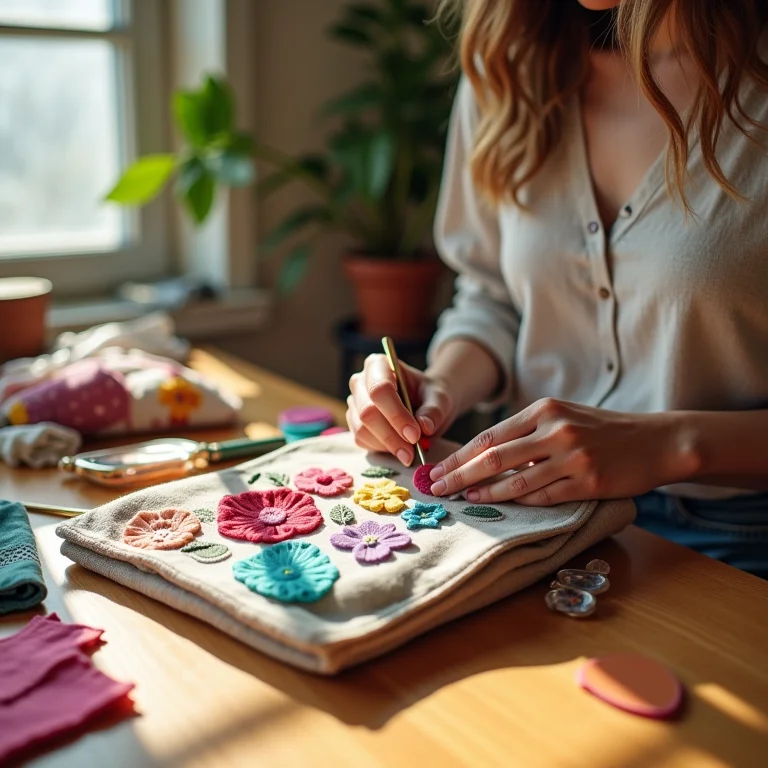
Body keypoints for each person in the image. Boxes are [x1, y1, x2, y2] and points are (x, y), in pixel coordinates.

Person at [345, 0, 768, 578]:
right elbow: (495, 298)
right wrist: (441, 386)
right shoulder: (505, 70)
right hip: (534, 518)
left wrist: (672, 445)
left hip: (736, 538)